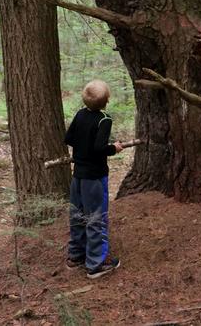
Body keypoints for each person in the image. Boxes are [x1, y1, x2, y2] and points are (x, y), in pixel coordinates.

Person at [64, 79, 123, 278]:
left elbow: (69, 138)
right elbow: (99, 148)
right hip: (95, 178)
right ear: (107, 100)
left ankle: (76, 255)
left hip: (78, 176)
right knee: (96, 217)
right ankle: (96, 264)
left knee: (78, 215)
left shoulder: (80, 114)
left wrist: (82, 148)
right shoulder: (104, 119)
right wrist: (114, 148)